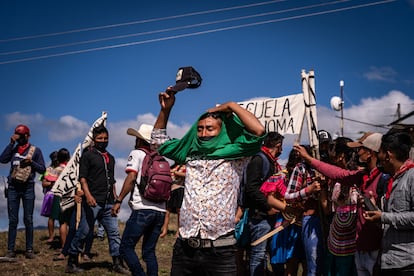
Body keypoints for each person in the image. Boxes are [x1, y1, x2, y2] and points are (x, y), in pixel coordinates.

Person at [152, 87, 266, 275]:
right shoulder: (190, 153)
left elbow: (259, 130)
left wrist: (231, 106)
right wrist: (165, 110)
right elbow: (158, 143)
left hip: (220, 252)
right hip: (185, 249)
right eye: (200, 129)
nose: (204, 134)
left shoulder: (236, 155)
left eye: (210, 128)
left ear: (221, 131)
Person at [65, 125, 128, 274]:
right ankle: (71, 261)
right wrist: (88, 195)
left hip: (109, 203)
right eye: (100, 138)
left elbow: (112, 181)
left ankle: (117, 263)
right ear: (94, 139)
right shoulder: (87, 155)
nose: (103, 141)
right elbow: (83, 178)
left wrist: (116, 200)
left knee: (114, 233)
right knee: (84, 231)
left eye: (106, 138)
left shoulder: (111, 158)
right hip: (93, 201)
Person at [111, 123, 168, 276]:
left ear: (139, 140)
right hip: (160, 212)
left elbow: (131, 177)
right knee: (149, 252)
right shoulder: (161, 158)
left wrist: (119, 200)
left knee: (125, 248)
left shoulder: (137, 154)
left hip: (142, 209)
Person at [364, 132, 414, 275]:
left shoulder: (411, 177)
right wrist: (376, 212)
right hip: (389, 261)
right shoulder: (392, 180)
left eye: (379, 152)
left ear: (388, 155)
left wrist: (383, 217)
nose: (377, 157)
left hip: (407, 265)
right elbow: (390, 221)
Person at [0, 124, 46, 259]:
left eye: (20, 136)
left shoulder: (35, 151)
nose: (19, 138)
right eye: (17, 135)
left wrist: (31, 163)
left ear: (27, 136)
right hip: (13, 187)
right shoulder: (13, 150)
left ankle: (29, 250)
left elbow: (43, 169)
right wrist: (11, 143)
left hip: (28, 188)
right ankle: (10, 250)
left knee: (28, 219)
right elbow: (2, 159)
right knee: (12, 220)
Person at [243, 131, 284, 275]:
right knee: (258, 254)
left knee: (263, 254)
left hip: (267, 216)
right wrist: (267, 208)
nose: (282, 151)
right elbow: (251, 188)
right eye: (281, 147)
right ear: (278, 145)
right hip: (260, 216)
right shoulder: (259, 160)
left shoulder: (270, 161)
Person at [41, 150, 59, 244]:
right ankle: (51, 236)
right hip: (51, 194)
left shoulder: (63, 168)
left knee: (61, 218)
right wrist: (52, 183)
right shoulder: (47, 170)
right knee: (51, 217)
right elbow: (43, 183)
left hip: (59, 194)